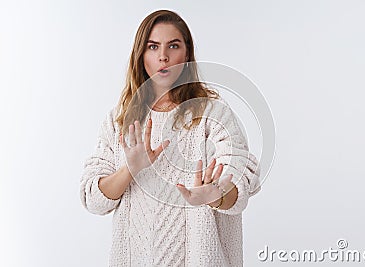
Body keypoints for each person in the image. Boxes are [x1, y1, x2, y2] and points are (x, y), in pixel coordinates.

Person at [80, 9, 260, 266]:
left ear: (186, 53)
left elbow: (240, 182)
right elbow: (93, 200)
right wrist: (130, 169)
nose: (163, 56)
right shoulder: (119, 119)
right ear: (141, 55)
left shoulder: (212, 113)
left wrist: (215, 195)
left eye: (172, 46)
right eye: (153, 47)